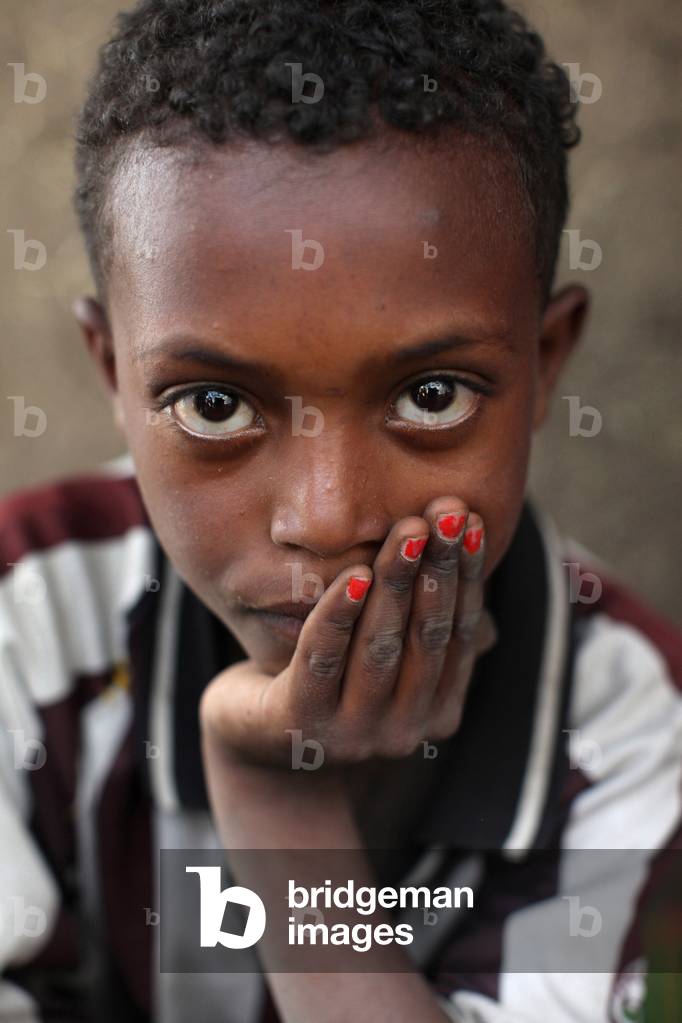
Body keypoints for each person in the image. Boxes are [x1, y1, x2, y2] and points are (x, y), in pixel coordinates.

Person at [1, 1, 680, 1020]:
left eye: (432, 395)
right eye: (216, 405)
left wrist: (277, 796)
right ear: (112, 373)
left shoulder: (637, 739)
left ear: (544, 366)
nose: (326, 520)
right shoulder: (28, 619)